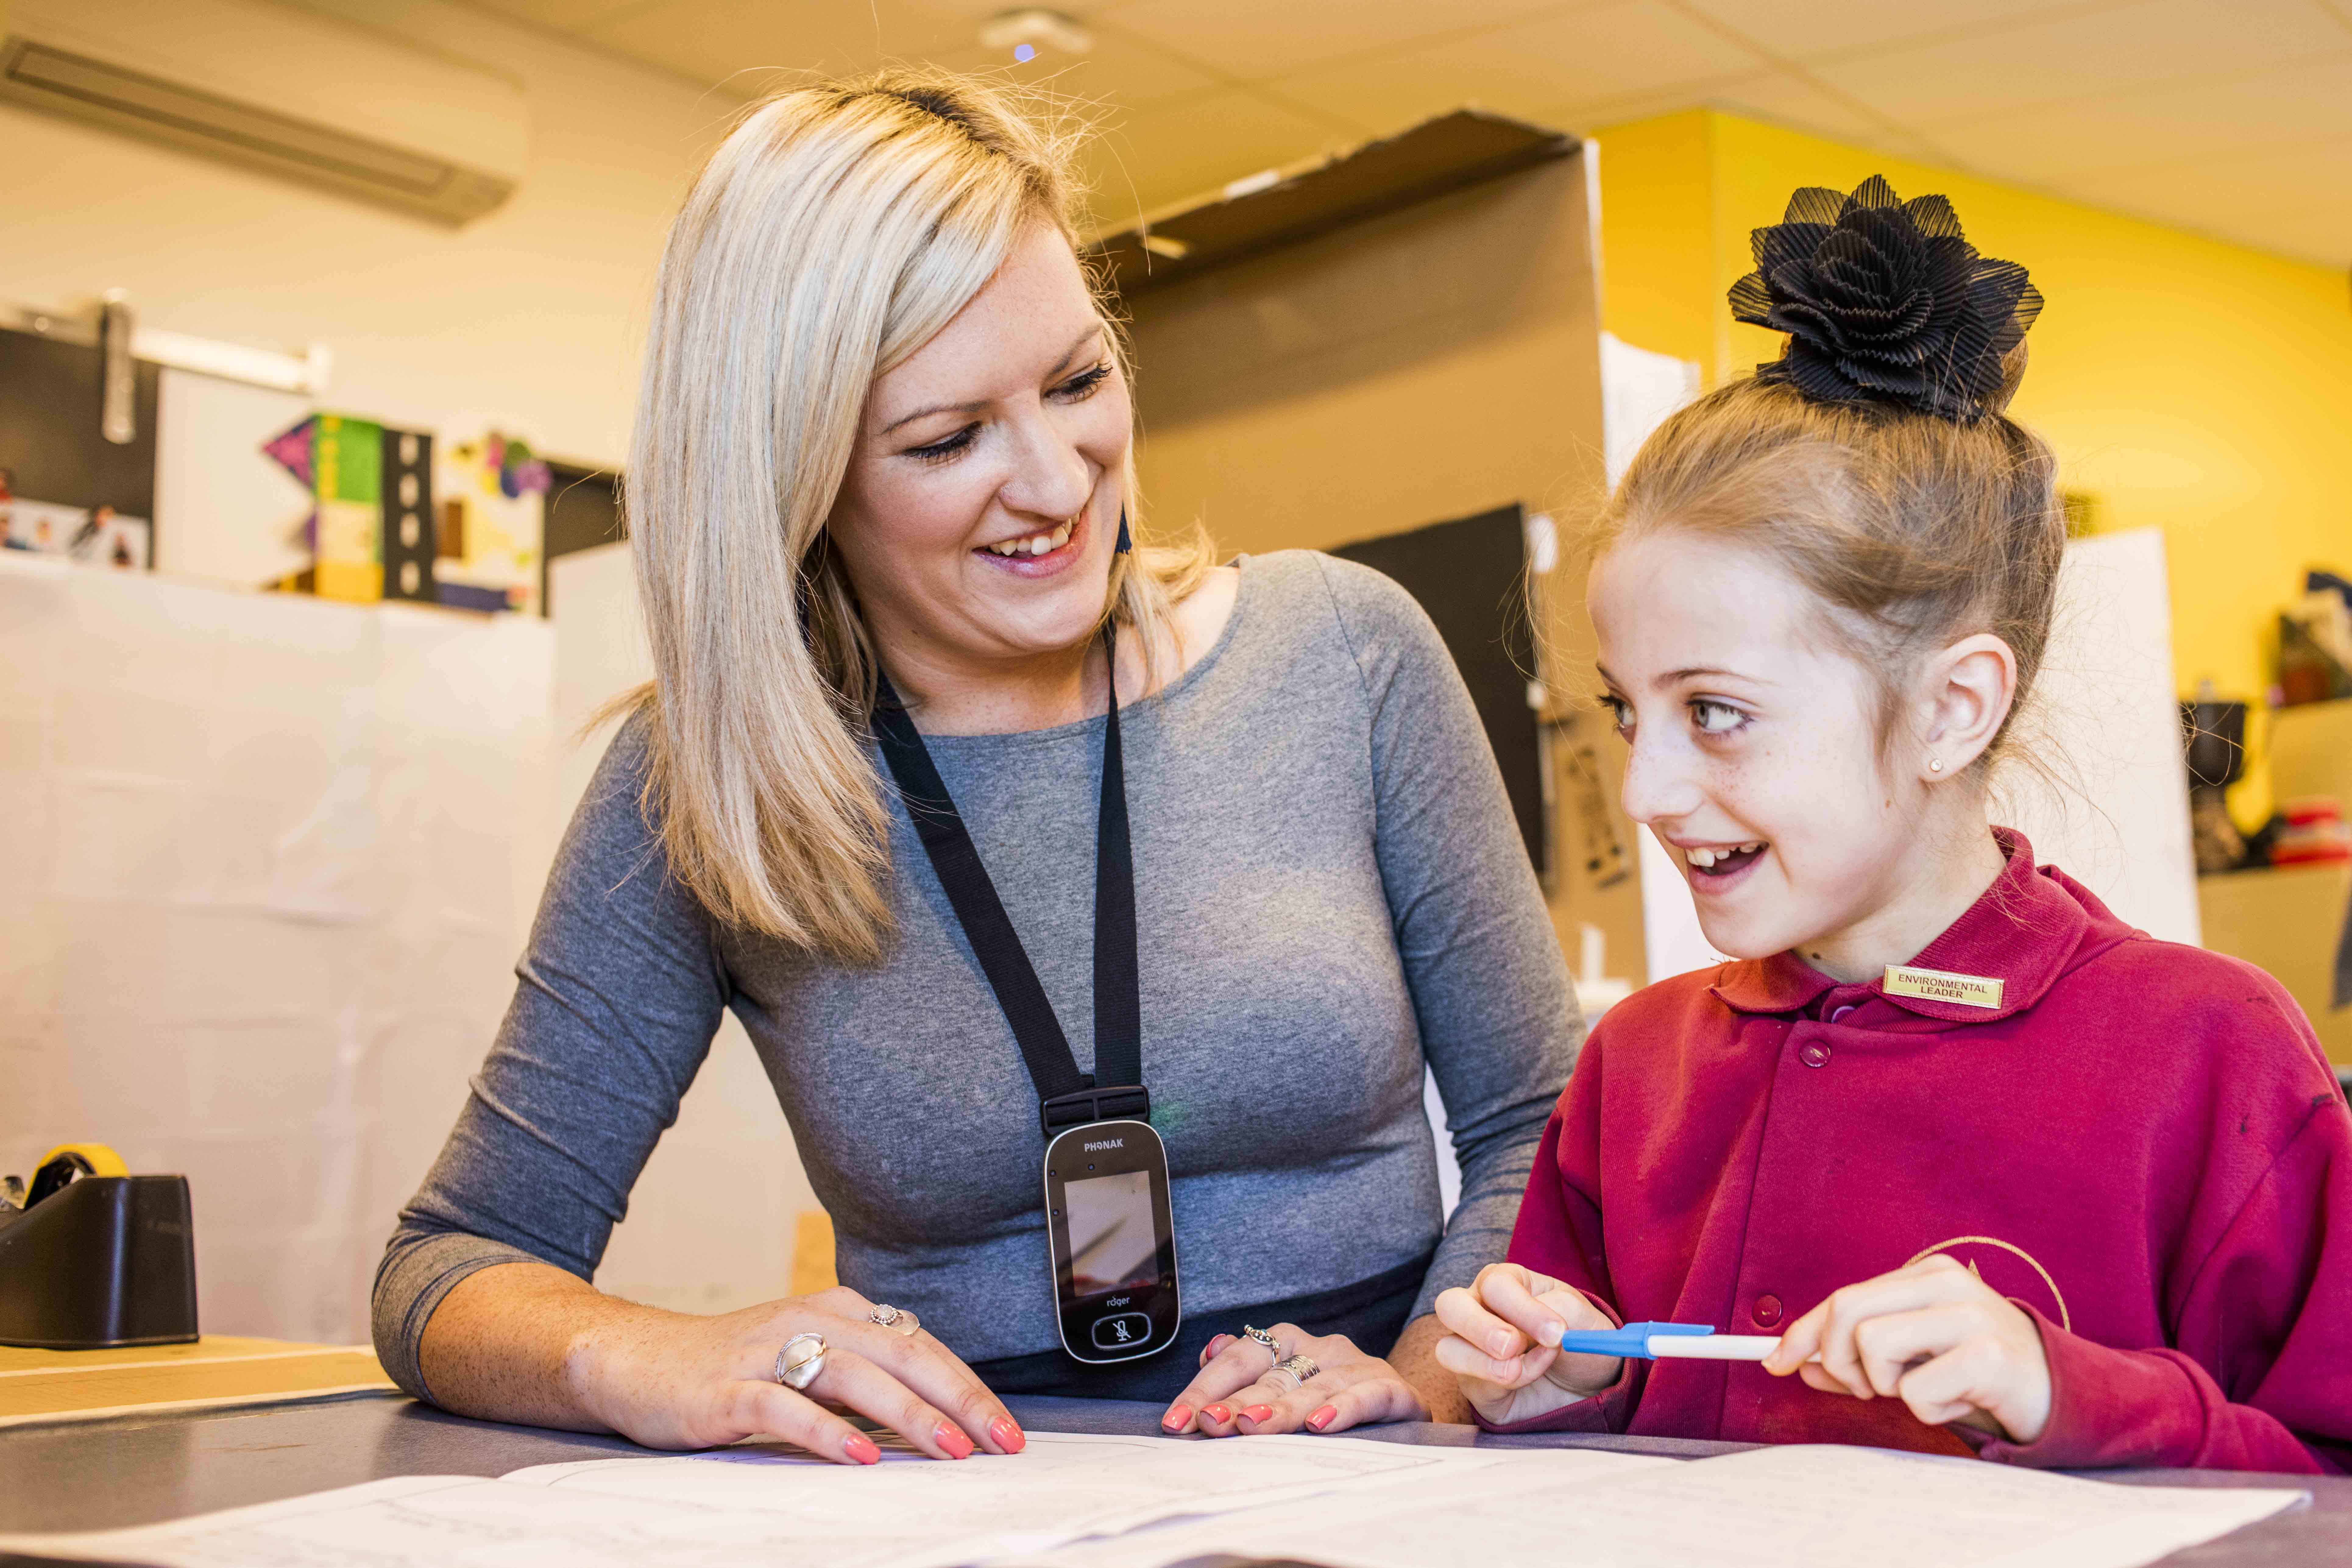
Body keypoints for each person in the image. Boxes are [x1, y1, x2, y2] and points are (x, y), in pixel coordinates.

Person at [372, 70, 1578, 1467]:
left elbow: (1540, 1130)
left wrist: (1424, 1388)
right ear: (796, 475)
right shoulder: (704, 779)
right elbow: (447, 1267)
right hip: (967, 1497)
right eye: (948, 439)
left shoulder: (1343, 654)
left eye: (1079, 382)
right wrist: (645, 1352)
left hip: (1369, 1480)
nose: (1059, 485)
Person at [1435, 177, 2352, 1473]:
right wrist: (1557, 1391)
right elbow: (1589, 1446)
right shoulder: (1632, 1068)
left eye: (1715, 711)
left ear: (1950, 709)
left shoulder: (2211, 1052)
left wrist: (2063, 1391)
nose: (1645, 792)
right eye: (1629, 712)